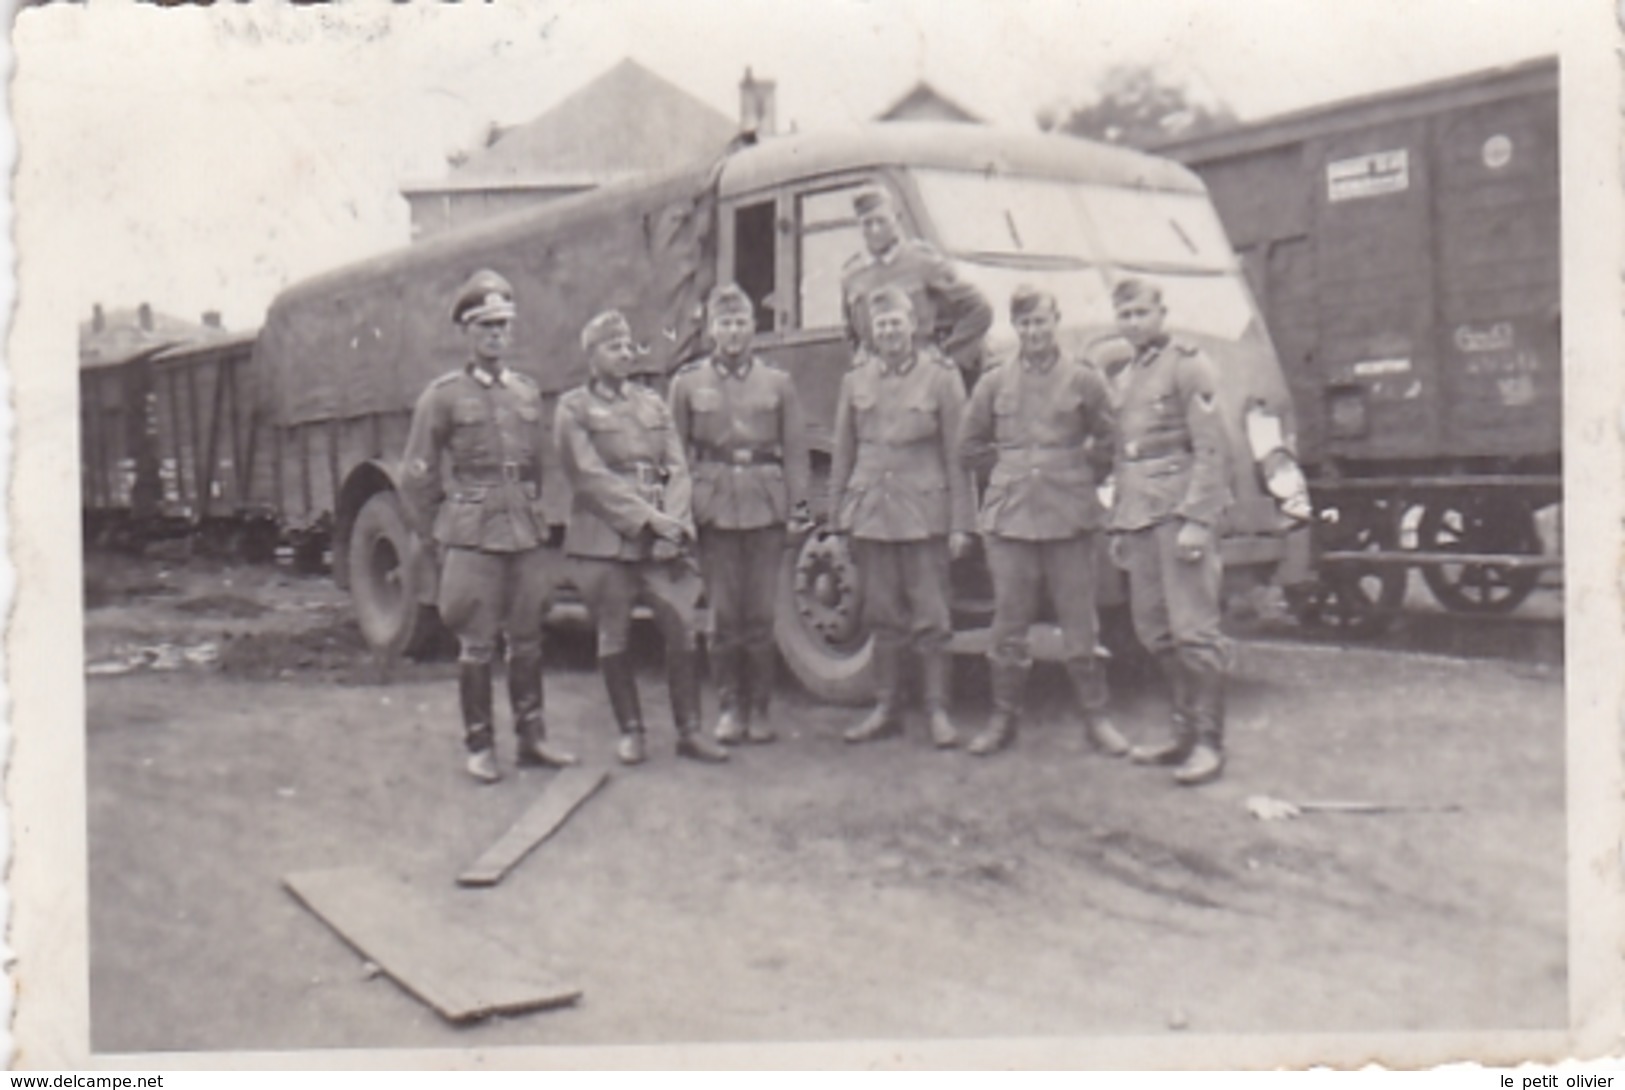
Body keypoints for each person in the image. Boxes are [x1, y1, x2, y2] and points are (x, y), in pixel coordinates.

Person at [399, 269, 575, 784]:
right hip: (472, 533)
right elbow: (417, 475)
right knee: (476, 642)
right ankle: (479, 745)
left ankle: (532, 739)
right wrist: (439, 532)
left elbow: (537, 466)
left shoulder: (526, 393)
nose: (495, 335)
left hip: (521, 529)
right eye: (484, 327)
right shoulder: (444, 397)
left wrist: (534, 512)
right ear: (466, 334)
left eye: (502, 326)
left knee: (527, 637)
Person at [956, 286, 1130, 759]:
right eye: (1025, 323)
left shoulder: (1084, 378)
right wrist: (1012, 470)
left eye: (1041, 321)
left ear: (1056, 321)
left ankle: (1097, 719)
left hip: (1069, 515)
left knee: (1080, 624)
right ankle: (1002, 718)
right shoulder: (994, 382)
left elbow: (1110, 440)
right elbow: (968, 446)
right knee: (1008, 624)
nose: (1034, 332)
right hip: (1011, 519)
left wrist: (1075, 475)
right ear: (1015, 328)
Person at [554, 309, 731, 767]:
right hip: (606, 540)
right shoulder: (573, 408)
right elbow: (589, 479)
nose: (626, 353)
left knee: (681, 627)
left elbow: (678, 467)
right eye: (614, 346)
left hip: (659, 543)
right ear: (592, 355)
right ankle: (631, 731)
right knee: (614, 635)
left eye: (629, 345)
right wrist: (651, 520)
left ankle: (689, 731)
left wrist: (675, 524)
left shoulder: (652, 404)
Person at [829, 285, 975, 749]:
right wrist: (838, 520)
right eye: (881, 324)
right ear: (871, 331)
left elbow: (959, 456)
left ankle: (937, 711)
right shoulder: (856, 380)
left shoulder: (941, 377)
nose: (889, 331)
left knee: (932, 615)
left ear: (914, 325)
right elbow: (843, 452)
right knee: (882, 615)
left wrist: (960, 523)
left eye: (897, 322)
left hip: (923, 515)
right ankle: (886, 707)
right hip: (873, 513)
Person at [668, 284, 810, 747]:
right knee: (725, 616)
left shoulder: (778, 383)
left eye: (741, 323)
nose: (733, 332)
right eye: (724, 323)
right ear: (711, 330)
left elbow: (794, 450)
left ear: (754, 328)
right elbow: (674, 455)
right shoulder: (687, 383)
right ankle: (730, 707)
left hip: (765, 507)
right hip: (714, 507)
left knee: (760, 615)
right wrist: (680, 515)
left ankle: (761, 709)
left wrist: (796, 510)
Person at [1107, 278, 1232, 786]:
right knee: (1153, 630)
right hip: (1139, 516)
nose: (1134, 322)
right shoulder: (1126, 375)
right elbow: (1123, 456)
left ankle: (1208, 743)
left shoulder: (1188, 365)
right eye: (1126, 314)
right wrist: (1119, 520)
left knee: (1195, 632)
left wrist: (1198, 520)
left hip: (1178, 516)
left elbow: (1212, 448)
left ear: (1162, 312)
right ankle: (1181, 732)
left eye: (1141, 312)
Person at [840, 186, 993, 383]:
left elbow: (980, 309)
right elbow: (851, 332)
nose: (875, 229)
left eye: (881, 221)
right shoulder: (852, 273)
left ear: (897, 219)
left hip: (921, 377)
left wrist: (947, 357)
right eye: (867, 223)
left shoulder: (923, 261)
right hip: (875, 381)